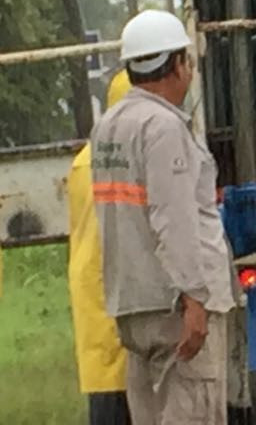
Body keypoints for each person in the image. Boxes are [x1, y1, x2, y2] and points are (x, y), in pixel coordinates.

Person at [92, 10, 236, 425]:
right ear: (176, 64)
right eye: (187, 60)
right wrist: (195, 300)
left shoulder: (109, 128)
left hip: (134, 307)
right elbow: (174, 220)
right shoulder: (163, 128)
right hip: (176, 310)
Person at [69, 70, 133, 425]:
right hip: (121, 307)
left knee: (107, 404)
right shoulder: (124, 160)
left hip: (95, 303)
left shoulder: (86, 159)